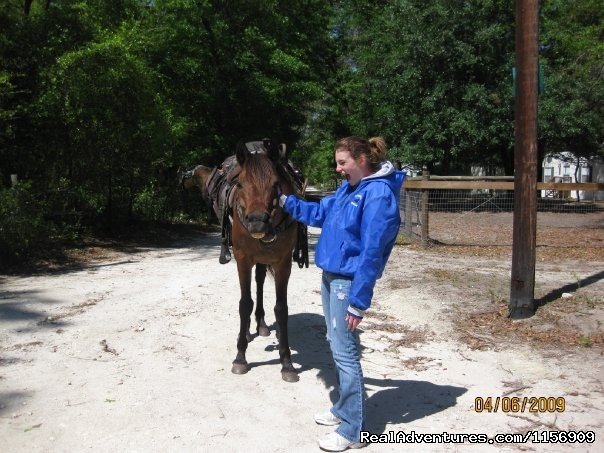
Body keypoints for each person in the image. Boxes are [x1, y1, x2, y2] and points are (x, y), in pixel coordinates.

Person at [279, 136, 405, 451]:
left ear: (362, 160)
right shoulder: (350, 189)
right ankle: (343, 410)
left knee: (346, 353)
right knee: (336, 347)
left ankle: (352, 430)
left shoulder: (377, 195)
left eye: (342, 162)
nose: (337, 169)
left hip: (346, 284)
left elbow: (373, 253)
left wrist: (359, 303)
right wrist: (285, 201)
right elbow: (320, 215)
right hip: (331, 276)